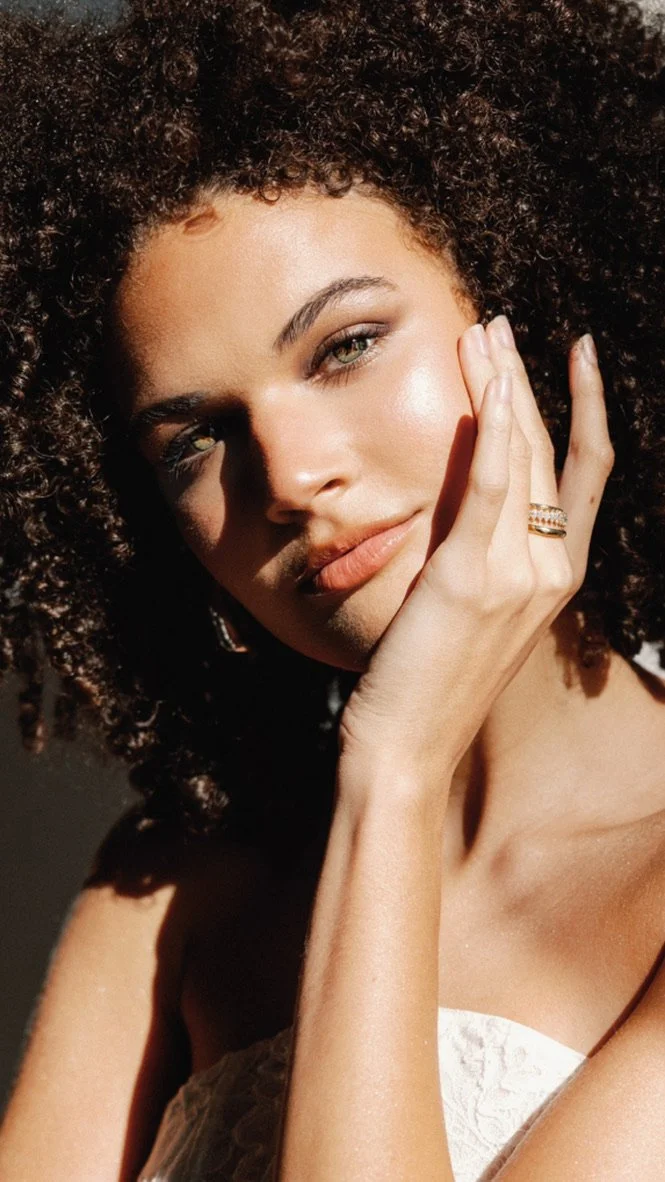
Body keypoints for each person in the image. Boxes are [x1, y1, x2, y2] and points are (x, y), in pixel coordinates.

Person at [0, 0, 664, 1177]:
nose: (291, 476)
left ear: (527, 296)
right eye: (196, 440)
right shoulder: (175, 887)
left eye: (346, 346)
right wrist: (392, 773)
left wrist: (394, 764)